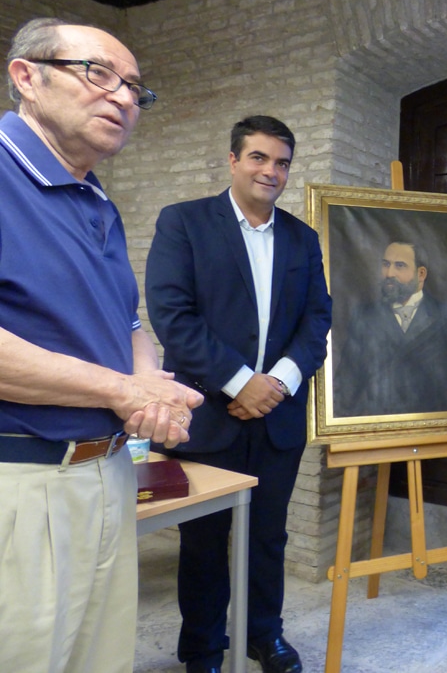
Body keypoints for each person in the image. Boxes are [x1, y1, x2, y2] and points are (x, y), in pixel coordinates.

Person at [0, 17, 203, 673]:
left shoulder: (96, 199)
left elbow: (128, 321)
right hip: (23, 481)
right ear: (27, 77)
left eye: (135, 89)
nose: (123, 97)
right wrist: (123, 391)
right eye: (99, 74)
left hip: (111, 474)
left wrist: (152, 388)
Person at [145, 115, 332, 673]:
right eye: (258, 157)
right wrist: (240, 380)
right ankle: (203, 648)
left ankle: (263, 634)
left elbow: (317, 320)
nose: (270, 171)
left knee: (268, 536)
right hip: (209, 413)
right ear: (233, 160)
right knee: (203, 540)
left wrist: (278, 383)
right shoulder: (184, 222)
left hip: (278, 416)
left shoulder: (303, 237)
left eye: (282, 163)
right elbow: (172, 316)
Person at [334, 238, 447, 417]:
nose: (389, 273)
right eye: (386, 264)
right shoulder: (365, 318)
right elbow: (345, 389)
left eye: (400, 266)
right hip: (380, 426)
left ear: (421, 274)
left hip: (433, 425)